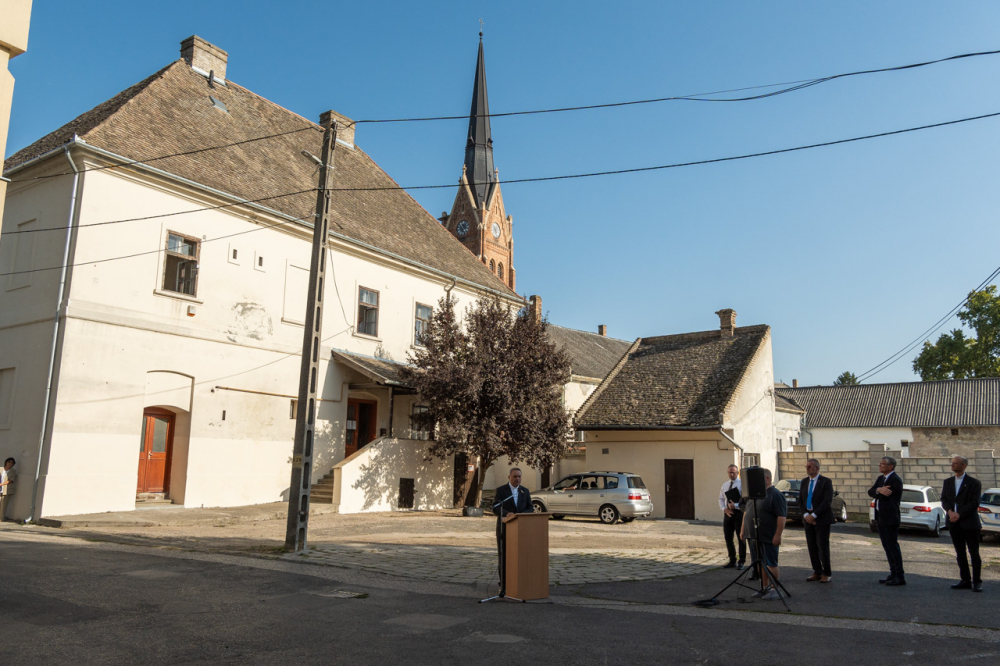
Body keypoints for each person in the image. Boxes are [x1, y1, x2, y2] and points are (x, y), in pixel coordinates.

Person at [740, 468, 787, 601]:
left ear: (767, 479)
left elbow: (781, 517)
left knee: (770, 563)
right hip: (754, 535)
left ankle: (774, 589)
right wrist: (743, 530)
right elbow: (746, 512)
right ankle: (764, 587)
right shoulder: (754, 495)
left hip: (768, 535)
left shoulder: (775, 495)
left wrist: (778, 535)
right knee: (759, 562)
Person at [941, 455, 983, 593]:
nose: (952, 465)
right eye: (952, 463)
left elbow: (975, 502)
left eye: (955, 463)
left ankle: (977, 582)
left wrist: (959, 514)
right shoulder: (948, 482)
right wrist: (950, 512)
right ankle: (965, 580)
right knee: (960, 553)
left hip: (969, 523)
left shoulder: (974, 483)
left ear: (964, 465)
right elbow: (944, 499)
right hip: (954, 524)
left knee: (974, 553)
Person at [492, 467, 534, 594]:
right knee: (504, 557)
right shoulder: (501, 490)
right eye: (515, 476)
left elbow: (530, 508)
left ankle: (518, 583)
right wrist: (507, 513)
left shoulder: (524, 491)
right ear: (509, 477)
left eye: (519, 476)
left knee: (519, 557)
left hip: (521, 529)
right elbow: (495, 507)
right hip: (505, 529)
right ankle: (504, 585)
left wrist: (520, 515)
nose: (517, 479)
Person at [868, 456, 905, 586]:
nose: (880, 466)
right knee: (886, 547)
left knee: (892, 547)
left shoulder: (895, 480)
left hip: (890, 518)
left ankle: (899, 576)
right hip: (881, 518)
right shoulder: (881, 479)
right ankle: (893, 573)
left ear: (891, 466)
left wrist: (879, 492)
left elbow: (886, 496)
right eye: (880, 463)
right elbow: (871, 491)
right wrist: (879, 489)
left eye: (883, 464)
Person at [800, 458, 834, 583]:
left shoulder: (826, 482)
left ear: (817, 468)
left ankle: (827, 573)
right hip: (807, 519)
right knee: (812, 546)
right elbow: (801, 500)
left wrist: (814, 515)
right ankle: (817, 571)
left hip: (821, 519)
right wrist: (806, 515)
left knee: (822, 546)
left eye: (810, 466)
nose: (807, 469)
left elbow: (827, 501)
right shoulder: (804, 482)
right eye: (806, 466)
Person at [718, 464, 745, 569]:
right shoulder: (725, 485)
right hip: (728, 513)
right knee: (728, 537)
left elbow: (745, 501)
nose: (731, 474)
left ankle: (741, 561)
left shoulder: (742, 484)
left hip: (739, 513)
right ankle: (732, 559)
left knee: (741, 537)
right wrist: (724, 509)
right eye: (729, 472)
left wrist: (736, 505)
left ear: (737, 473)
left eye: (733, 472)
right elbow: (721, 499)